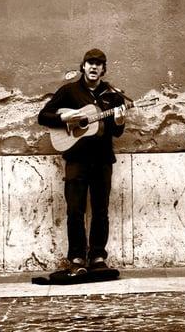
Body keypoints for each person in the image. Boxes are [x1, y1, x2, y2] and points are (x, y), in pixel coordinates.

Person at [38, 48, 128, 276]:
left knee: (100, 210)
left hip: (102, 160)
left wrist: (119, 120)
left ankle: (98, 256)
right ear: (83, 66)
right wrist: (64, 117)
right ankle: (76, 257)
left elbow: (117, 133)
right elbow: (43, 116)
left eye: (99, 64)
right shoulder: (69, 91)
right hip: (76, 160)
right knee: (75, 209)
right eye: (90, 63)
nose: (94, 67)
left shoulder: (112, 96)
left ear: (103, 69)